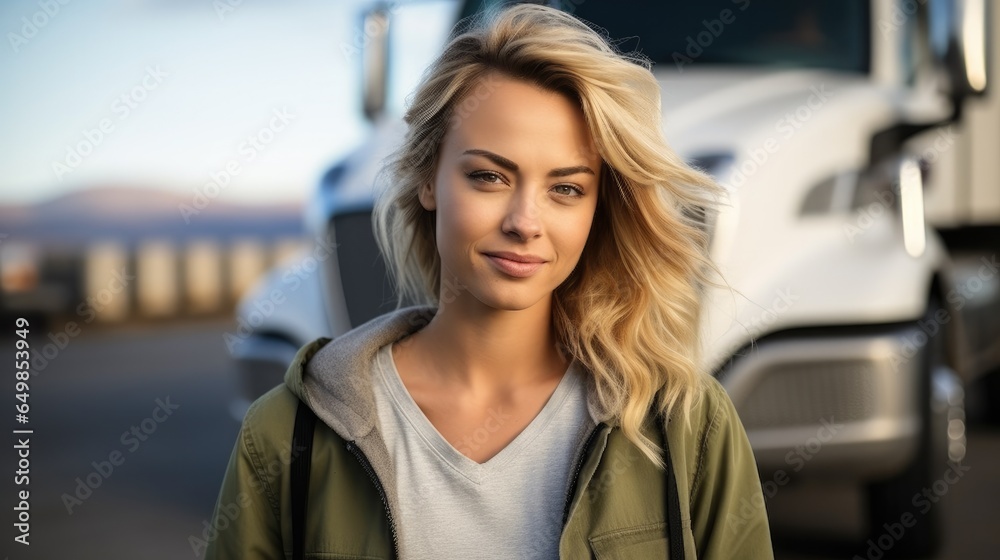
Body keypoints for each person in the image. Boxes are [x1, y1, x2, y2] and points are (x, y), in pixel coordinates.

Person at [203, 3, 773, 559]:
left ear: (598, 208)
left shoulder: (686, 423)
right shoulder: (288, 435)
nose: (524, 222)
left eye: (566, 188)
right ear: (428, 179)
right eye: (489, 177)